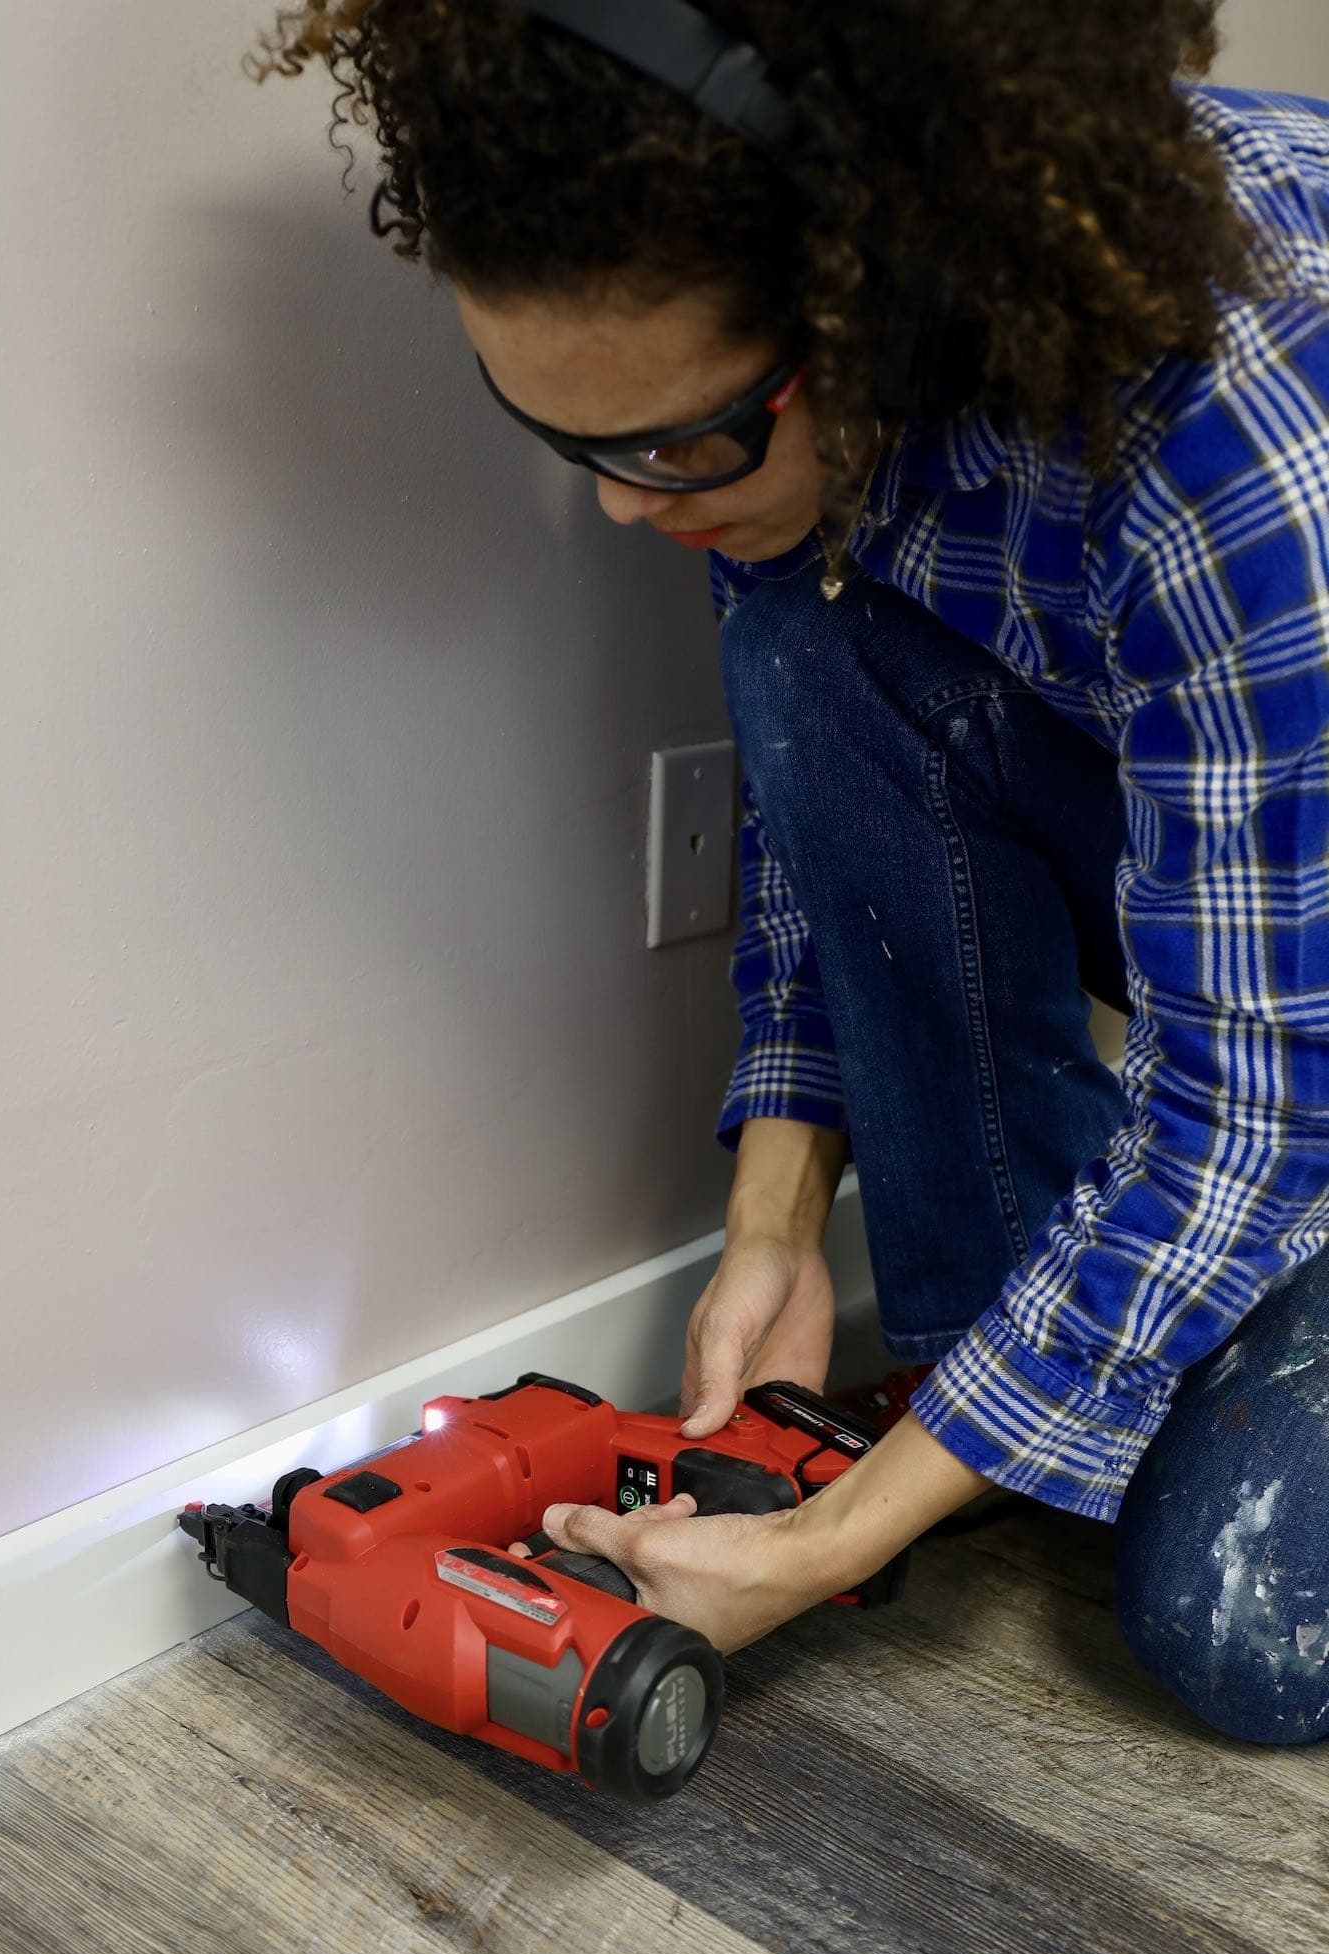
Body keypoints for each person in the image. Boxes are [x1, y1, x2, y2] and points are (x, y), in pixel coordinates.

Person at [249, 1, 1329, 1745]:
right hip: (1278, 906)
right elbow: (821, 763)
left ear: (882, 306)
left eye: (676, 447)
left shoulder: (1242, 435)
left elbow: (1263, 1098)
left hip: (1302, 992)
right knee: (812, 649)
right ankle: (1028, 1356)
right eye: (576, 448)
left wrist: (834, 1538)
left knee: (1233, 1623)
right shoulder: (766, 417)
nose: (620, 511)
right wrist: (775, 1222)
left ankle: (1120, 1329)